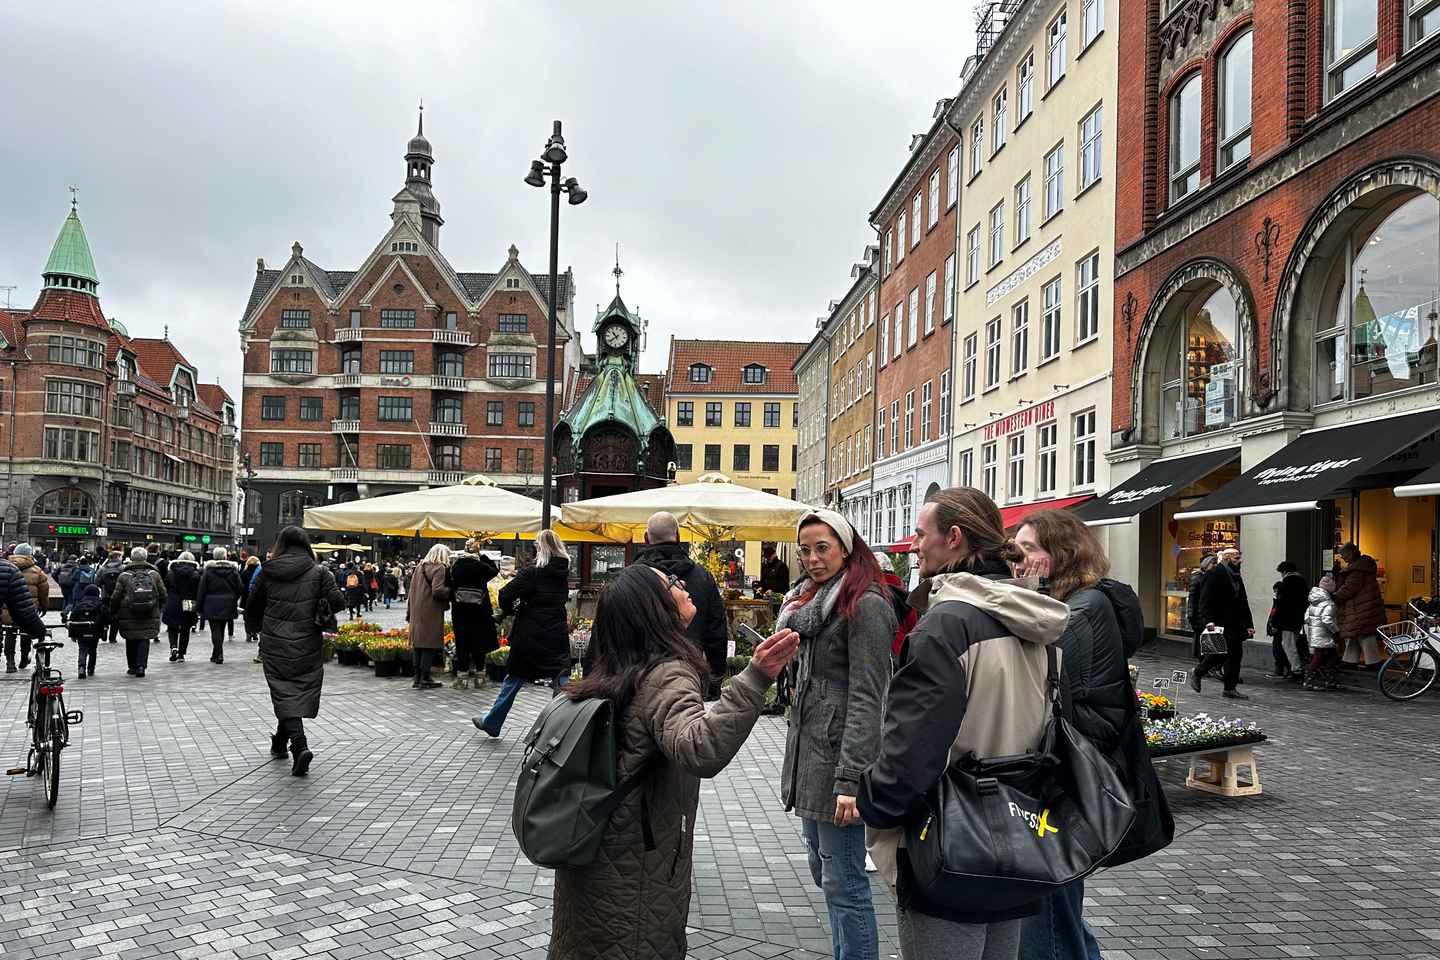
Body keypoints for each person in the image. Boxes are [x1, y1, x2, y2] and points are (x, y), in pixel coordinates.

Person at [857, 487, 1071, 960]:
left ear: (953, 538)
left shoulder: (946, 625)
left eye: (920, 534)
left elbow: (914, 748)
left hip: (950, 840)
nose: (913, 546)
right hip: (1020, 830)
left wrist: (875, 803)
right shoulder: (1034, 620)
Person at [547, 563, 800, 960]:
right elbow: (700, 747)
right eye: (671, 583)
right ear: (653, 606)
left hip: (594, 852)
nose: (683, 585)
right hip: (637, 871)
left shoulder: (616, 667)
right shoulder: (666, 674)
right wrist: (754, 678)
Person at [1014, 510, 1144, 960]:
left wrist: (1025, 594)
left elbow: (1036, 674)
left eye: (1029, 550)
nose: (1019, 560)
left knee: (1052, 910)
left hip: (1068, 770)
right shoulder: (1070, 601)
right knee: (1059, 908)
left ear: (1062, 553)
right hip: (1070, 763)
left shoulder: (1082, 610)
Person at [777, 509, 895, 960]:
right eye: (805, 550)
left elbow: (869, 697)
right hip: (811, 758)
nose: (812, 558)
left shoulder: (865, 604)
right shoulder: (808, 602)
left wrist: (851, 779)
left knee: (845, 885)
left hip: (840, 765)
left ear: (846, 549)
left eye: (822, 548)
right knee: (825, 875)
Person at [244, 526, 345, 776]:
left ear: (280, 545)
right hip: (307, 642)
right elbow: (338, 602)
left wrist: (254, 629)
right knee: (291, 693)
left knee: (283, 692)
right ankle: (281, 742)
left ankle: (299, 746)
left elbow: (252, 606)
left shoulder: (268, 571)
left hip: (275, 641)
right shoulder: (320, 572)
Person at [472, 530, 571, 737]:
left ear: (540, 548)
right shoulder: (563, 572)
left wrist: (509, 609)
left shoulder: (533, 573)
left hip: (530, 632)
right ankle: (568, 724)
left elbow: (504, 594)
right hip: (556, 631)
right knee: (561, 676)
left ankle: (493, 722)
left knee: (515, 677)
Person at [635, 511, 728, 697]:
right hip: (690, 675)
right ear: (678, 536)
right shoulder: (702, 577)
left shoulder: (632, 579)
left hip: (640, 677)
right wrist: (715, 678)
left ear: (646, 538)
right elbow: (716, 632)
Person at [1193, 547, 1253, 699]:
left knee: (1235, 655)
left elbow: (1243, 601)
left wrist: (1249, 624)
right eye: (1236, 558)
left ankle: (1230, 688)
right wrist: (1208, 620)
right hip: (1220, 621)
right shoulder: (1214, 574)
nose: (1240, 561)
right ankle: (1198, 672)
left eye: (1239, 558)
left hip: (1236, 623)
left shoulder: (1236, 576)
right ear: (1227, 559)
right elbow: (1204, 599)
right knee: (1219, 653)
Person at [449, 540, 500, 685]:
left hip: (460, 610)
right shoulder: (481, 566)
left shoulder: (457, 566)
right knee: (479, 640)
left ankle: (462, 677)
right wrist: (482, 555)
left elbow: (450, 582)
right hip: (480, 609)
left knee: (462, 641)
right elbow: (494, 570)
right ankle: (480, 676)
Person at [110, 546, 166, 678]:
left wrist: (113, 610)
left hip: (128, 612)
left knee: (130, 638)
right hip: (149, 611)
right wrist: (158, 606)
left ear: (131, 558)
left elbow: (116, 596)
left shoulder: (124, 575)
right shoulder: (154, 574)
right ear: (145, 558)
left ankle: (132, 666)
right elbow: (163, 593)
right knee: (144, 638)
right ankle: (141, 666)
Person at [407, 544, 453, 690]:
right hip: (430, 611)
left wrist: (409, 611)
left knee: (418, 645)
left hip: (416, 610)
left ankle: (417, 678)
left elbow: (411, 590)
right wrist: (451, 591)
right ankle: (425, 678)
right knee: (429, 645)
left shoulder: (419, 567)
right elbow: (438, 590)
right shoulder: (439, 568)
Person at [1332, 542, 1385, 668]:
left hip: (1361, 608)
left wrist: (1334, 597)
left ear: (1350, 553)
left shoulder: (1357, 569)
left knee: (1364, 634)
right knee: (1356, 634)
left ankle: (1372, 662)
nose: (1342, 557)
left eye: (1343, 554)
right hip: (1364, 607)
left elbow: (1349, 588)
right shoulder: (1361, 566)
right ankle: (1350, 660)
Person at [4, 544, 50, 673]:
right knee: (26, 633)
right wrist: (44, 606)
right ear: (30, 554)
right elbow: (44, 592)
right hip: (28, 608)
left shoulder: (7, 568)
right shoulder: (37, 571)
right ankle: (24, 658)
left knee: (10, 633)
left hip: (8, 609)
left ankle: (10, 662)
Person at [197, 547, 245, 665]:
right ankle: (217, 653)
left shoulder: (208, 571)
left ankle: (218, 654)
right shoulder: (233, 571)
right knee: (222, 629)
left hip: (211, 603)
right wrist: (234, 597)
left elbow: (202, 590)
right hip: (228, 602)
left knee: (215, 630)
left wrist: (199, 606)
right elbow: (240, 588)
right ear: (225, 556)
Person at [1269, 561, 1310, 680]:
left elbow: (1281, 604)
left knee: (1288, 644)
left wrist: (1275, 622)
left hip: (1287, 620)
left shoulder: (1286, 583)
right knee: (1293, 643)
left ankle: (1297, 669)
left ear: (1285, 571)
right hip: (1298, 618)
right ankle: (1296, 668)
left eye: (1281, 573)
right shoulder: (1302, 582)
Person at [1303, 574, 1342, 691]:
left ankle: (1330, 680)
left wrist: (1314, 627)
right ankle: (1309, 681)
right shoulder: (1329, 604)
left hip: (1315, 634)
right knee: (1319, 658)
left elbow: (1306, 618)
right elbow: (1327, 620)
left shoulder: (1313, 602)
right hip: (1325, 635)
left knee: (1331, 656)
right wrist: (1336, 631)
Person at [161, 551, 201, 663]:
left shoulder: (171, 573)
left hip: (173, 601)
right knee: (185, 628)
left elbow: (165, 588)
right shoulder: (195, 574)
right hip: (188, 602)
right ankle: (181, 654)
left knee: (172, 626)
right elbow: (198, 591)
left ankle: (173, 646)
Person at [66, 581, 107, 678]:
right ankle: (91, 669)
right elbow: (107, 618)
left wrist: (72, 634)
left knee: (82, 650)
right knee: (93, 650)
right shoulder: (100, 605)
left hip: (81, 631)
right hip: (95, 631)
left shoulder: (79, 604)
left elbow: (72, 619)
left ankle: (81, 668)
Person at [1187, 554, 1217, 659]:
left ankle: (1207, 664)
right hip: (1200, 617)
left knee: (1210, 644)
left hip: (1209, 616)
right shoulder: (1197, 578)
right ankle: (1203, 664)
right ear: (1206, 565)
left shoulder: (1213, 576)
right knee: (1202, 643)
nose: (1215, 565)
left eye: (1216, 563)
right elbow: (1192, 599)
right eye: (1213, 563)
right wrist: (1191, 616)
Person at [97, 551, 125, 644]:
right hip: (118, 596)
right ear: (118, 557)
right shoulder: (123, 568)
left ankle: (105, 627)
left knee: (105, 613)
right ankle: (112, 637)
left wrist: (103, 587)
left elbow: (97, 581)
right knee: (116, 616)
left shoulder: (103, 568)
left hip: (105, 595)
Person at [241, 555, 262, 641]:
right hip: (257, 597)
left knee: (247, 617)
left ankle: (248, 633)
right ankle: (255, 632)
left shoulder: (244, 573)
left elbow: (241, 586)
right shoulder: (260, 572)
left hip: (246, 597)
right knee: (256, 616)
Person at [56, 554, 78, 623]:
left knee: (65, 599)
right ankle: (65, 612)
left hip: (63, 585)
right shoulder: (75, 567)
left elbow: (54, 574)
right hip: (71, 585)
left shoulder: (62, 566)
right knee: (71, 602)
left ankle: (64, 617)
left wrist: (59, 581)